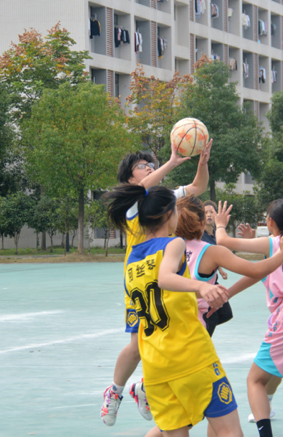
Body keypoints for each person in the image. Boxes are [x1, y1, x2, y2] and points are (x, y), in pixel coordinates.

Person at [140, 194, 283, 437]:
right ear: (202, 221)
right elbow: (256, 270)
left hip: (156, 350)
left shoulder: (159, 253)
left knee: (175, 426)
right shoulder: (210, 252)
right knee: (226, 424)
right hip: (191, 345)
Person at [105, 183, 241, 437]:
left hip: (155, 366)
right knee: (230, 432)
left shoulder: (132, 259)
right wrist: (201, 286)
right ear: (169, 214)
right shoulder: (173, 244)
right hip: (190, 355)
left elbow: (155, 296)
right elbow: (165, 279)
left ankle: (121, 391)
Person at [101, 139, 212, 427]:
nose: (149, 168)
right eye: (142, 165)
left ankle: (146, 386)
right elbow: (143, 187)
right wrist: (172, 162)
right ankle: (115, 391)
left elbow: (198, 187)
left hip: (166, 273)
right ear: (129, 177)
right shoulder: (133, 205)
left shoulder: (161, 198)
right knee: (138, 343)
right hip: (141, 279)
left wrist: (202, 164)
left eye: (151, 164)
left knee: (168, 333)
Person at [201, 200, 233, 336]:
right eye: (206, 212)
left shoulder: (216, 234)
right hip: (203, 281)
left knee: (226, 313)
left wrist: (220, 268)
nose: (209, 215)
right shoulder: (199, 234)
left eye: (212, 212)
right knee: (212, 318)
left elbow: (215, 254)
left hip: (213, 279)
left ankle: (201, 328)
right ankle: (202, 339)